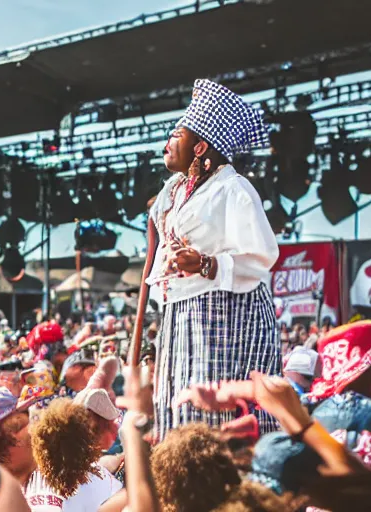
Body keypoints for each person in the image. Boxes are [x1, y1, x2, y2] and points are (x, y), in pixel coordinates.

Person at [145, 79, 281, 438]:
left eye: (176, 135)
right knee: (179, 409)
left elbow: (262, 256)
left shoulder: (232, 189)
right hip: (183, 310)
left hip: (224, 313)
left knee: (214, 416)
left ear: (200, 146)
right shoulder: (174, 191)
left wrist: (206, 263)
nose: (166, 143)